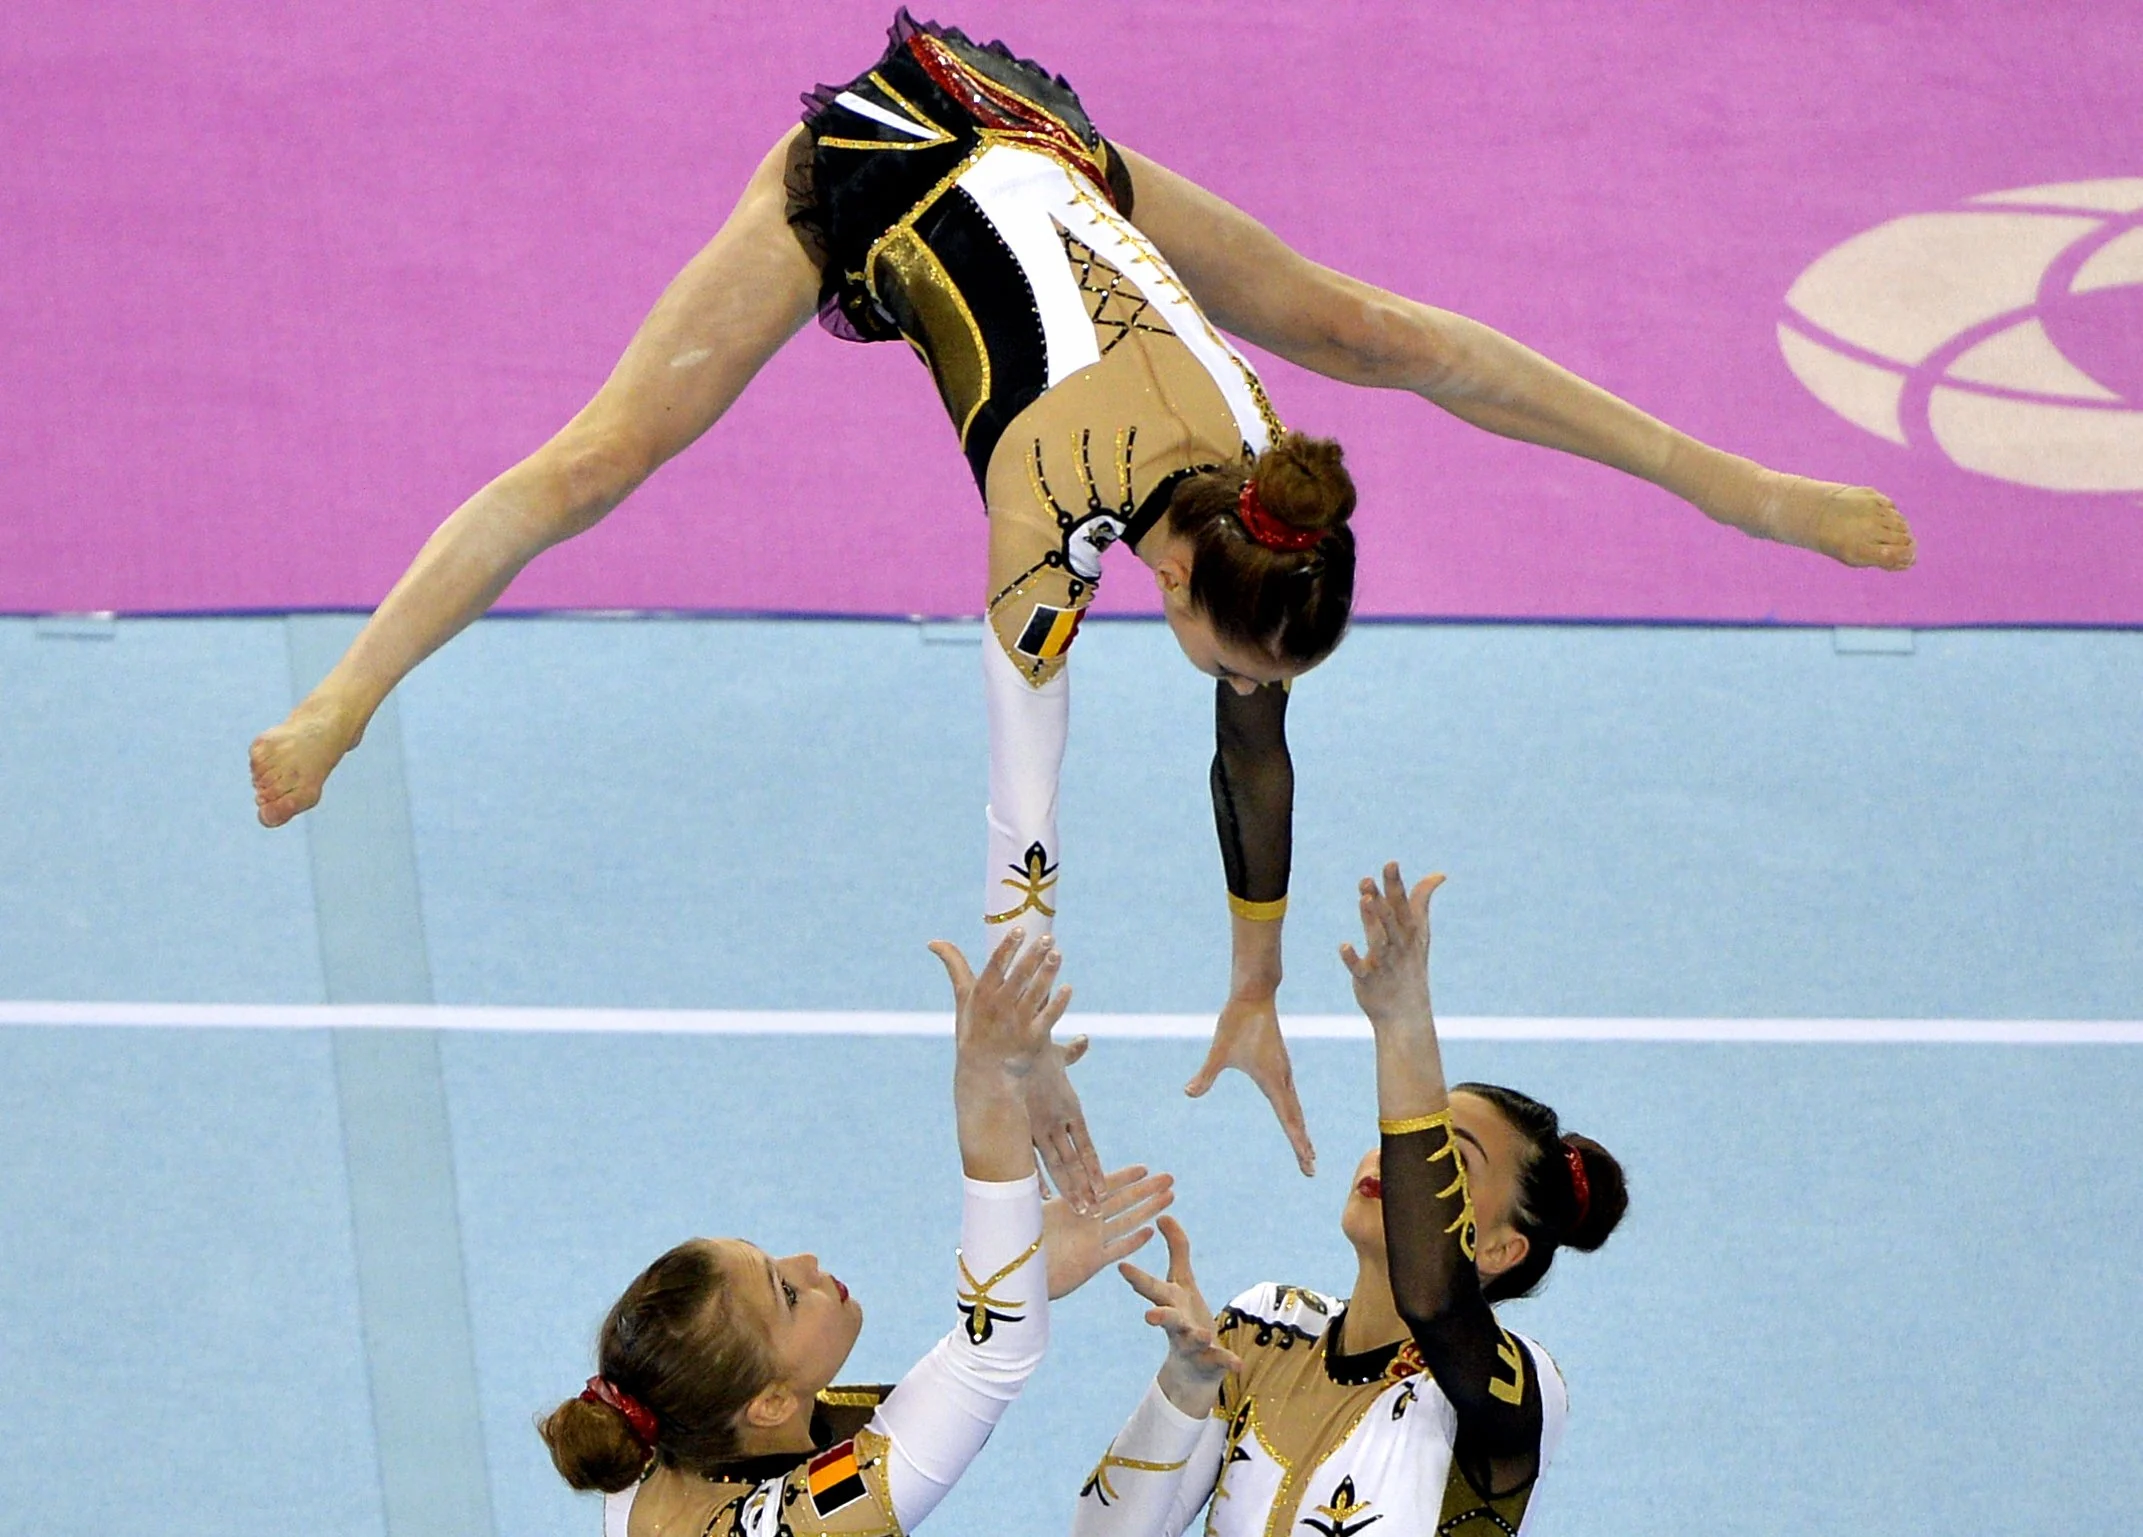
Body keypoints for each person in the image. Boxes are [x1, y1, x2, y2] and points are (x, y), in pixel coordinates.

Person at [249, 13, 1914, 1183]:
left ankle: (1731, 482)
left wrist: (1254, 979)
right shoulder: (1046, 495)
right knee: (599, 461)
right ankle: (343, 693)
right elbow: (1017, 784)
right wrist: (1022, 1019)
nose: (1224, 675)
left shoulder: (1264, 484)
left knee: (1375, 332)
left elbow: (1251, 739)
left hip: (1041, 144)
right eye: (1218, 651)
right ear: (1177, 575)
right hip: (894, 167)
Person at [541, 927, 1176, 1537]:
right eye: (787, 1295)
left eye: (774, 1262)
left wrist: (1018, 1277)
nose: (808, 1263)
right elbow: (988, 1359)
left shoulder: (674, 1435)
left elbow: (947, 1395)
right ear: (768, 1405)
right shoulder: (775, 1522)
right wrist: (988, 1085)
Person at [1071, 863, 1627, 1537]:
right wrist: (1182, 1390)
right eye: (1401, 1142)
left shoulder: (1513, 1391)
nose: (1395, 1161)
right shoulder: (1263, 1327)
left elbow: (1435, 1297)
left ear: (1500, 1246)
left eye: (1442, 1161)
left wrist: (1401, 1026)